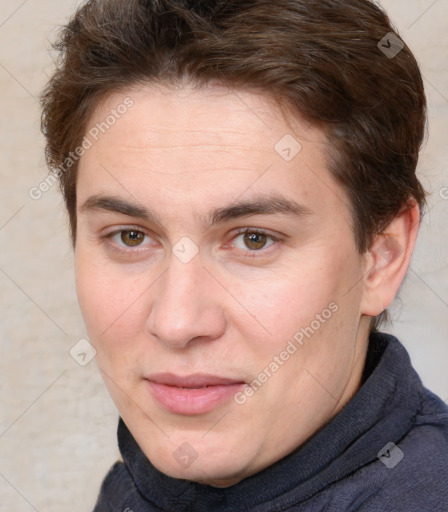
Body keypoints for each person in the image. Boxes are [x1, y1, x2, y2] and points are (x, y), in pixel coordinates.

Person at [40, 0, 448, 510]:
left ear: (381, 257)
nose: (177, 321)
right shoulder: (132, 491)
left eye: (254, 238)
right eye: (131, 237)